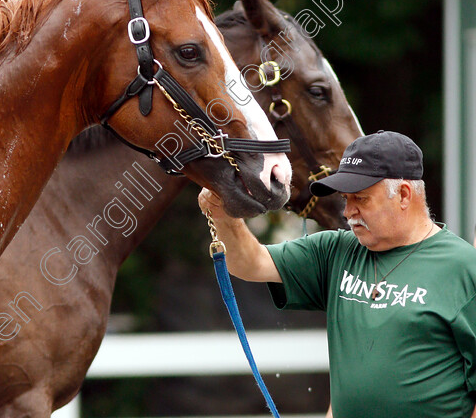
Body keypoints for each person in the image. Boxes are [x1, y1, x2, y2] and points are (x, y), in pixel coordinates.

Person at [198, 130, 476, 418]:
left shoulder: (464, 268)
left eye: (360, 199)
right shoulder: (336, 250)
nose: (348, 212)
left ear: (404, 195)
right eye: (345, 199)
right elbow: (250, 263)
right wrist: (223, 215)